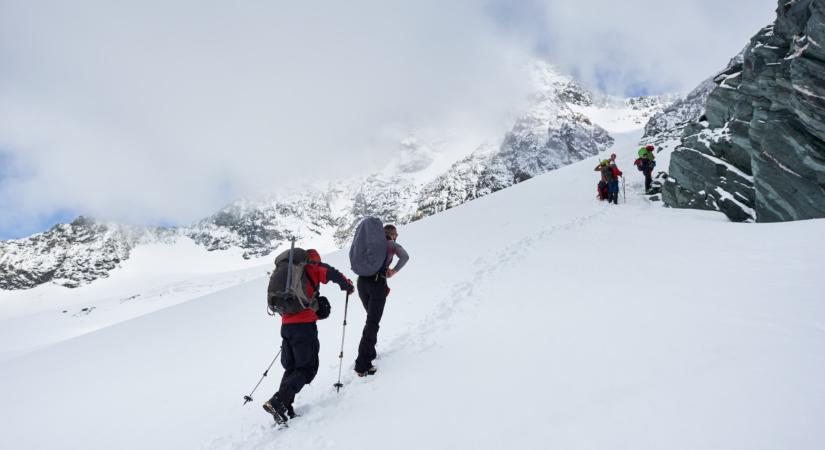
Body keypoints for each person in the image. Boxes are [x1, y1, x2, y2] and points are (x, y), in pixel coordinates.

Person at [263, 248, 353, 425]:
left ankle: (285, 408)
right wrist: (347, 285)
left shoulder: (287, 271)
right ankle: (279, 400)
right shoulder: (311, 267)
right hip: (304, 326)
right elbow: (332, 273)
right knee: (307, 368)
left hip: (286, 326)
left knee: (292, 367)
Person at [354, 224, 409, 377]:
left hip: (361, 283)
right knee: (372, 322)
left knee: (371, 319)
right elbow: (405, 256)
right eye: (396, 234)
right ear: (393, 234)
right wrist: (394, 271)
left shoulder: (369, 245)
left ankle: (369, 351)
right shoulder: (391, 244)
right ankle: (362, 365)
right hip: (377, 284)